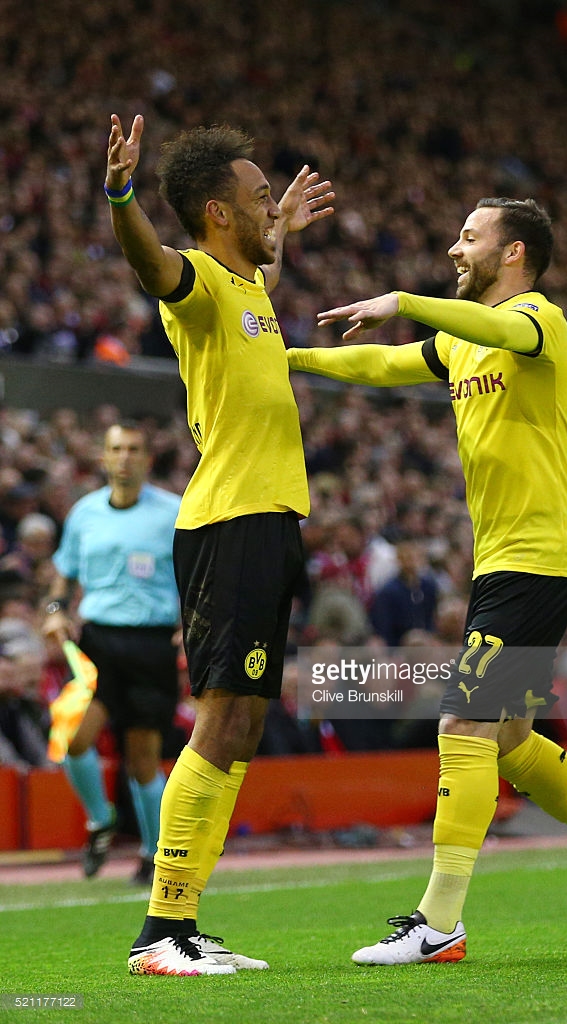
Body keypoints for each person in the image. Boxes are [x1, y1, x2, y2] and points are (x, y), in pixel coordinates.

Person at [287, 197, 567, 964]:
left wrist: (401, 301)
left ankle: (439, 924)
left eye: (469, 237)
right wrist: (288, 359)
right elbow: (384, 365)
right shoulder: (463, 340)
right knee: (510, 739)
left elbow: (498, 331)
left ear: (513, 252)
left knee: (462, 725)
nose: (454, 249)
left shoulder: (537, 320)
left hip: (538, 554)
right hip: (506, 559)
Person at [104, 113, 334, 976]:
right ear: (217, 212)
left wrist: (282, 235)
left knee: (242, 723)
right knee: (219, 719)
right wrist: (122, 195)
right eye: (260, 196)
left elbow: (260, 266)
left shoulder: (249, 288)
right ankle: (160, 930)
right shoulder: (199, 279)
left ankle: (184, 920)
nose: (273, 204)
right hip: (228, 521)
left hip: (269, 519)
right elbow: (151, 264)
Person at [43, 422, 182, 885]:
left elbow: (197, 575)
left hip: (151, 643)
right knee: (72, 738)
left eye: (134, 449)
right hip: (97, 642)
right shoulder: (84, 513)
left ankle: (153, 854)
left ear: (147, 459)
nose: (125, 457)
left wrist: (192, 624)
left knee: (142, 760)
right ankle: (100, 820)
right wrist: (56, 610)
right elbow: (63, 576)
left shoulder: (173, 512)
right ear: (103, 457)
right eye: (117, 448)